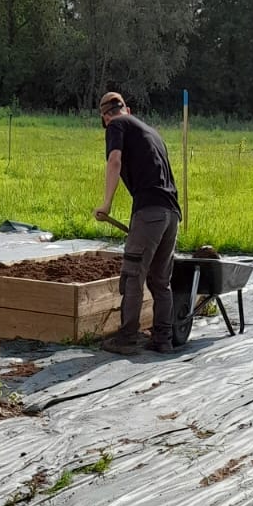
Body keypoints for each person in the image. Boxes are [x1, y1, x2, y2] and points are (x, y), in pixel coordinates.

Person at [94, 92, 181, 354]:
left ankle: (127, 338)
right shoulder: (151, 131)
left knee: (133, 275)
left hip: (150, 211)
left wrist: (106, 203)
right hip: (171, 213)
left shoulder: (116, 125)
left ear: (105, 116)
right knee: (160, 280)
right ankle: (163, 339)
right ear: (127, 108)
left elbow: (114, 161)